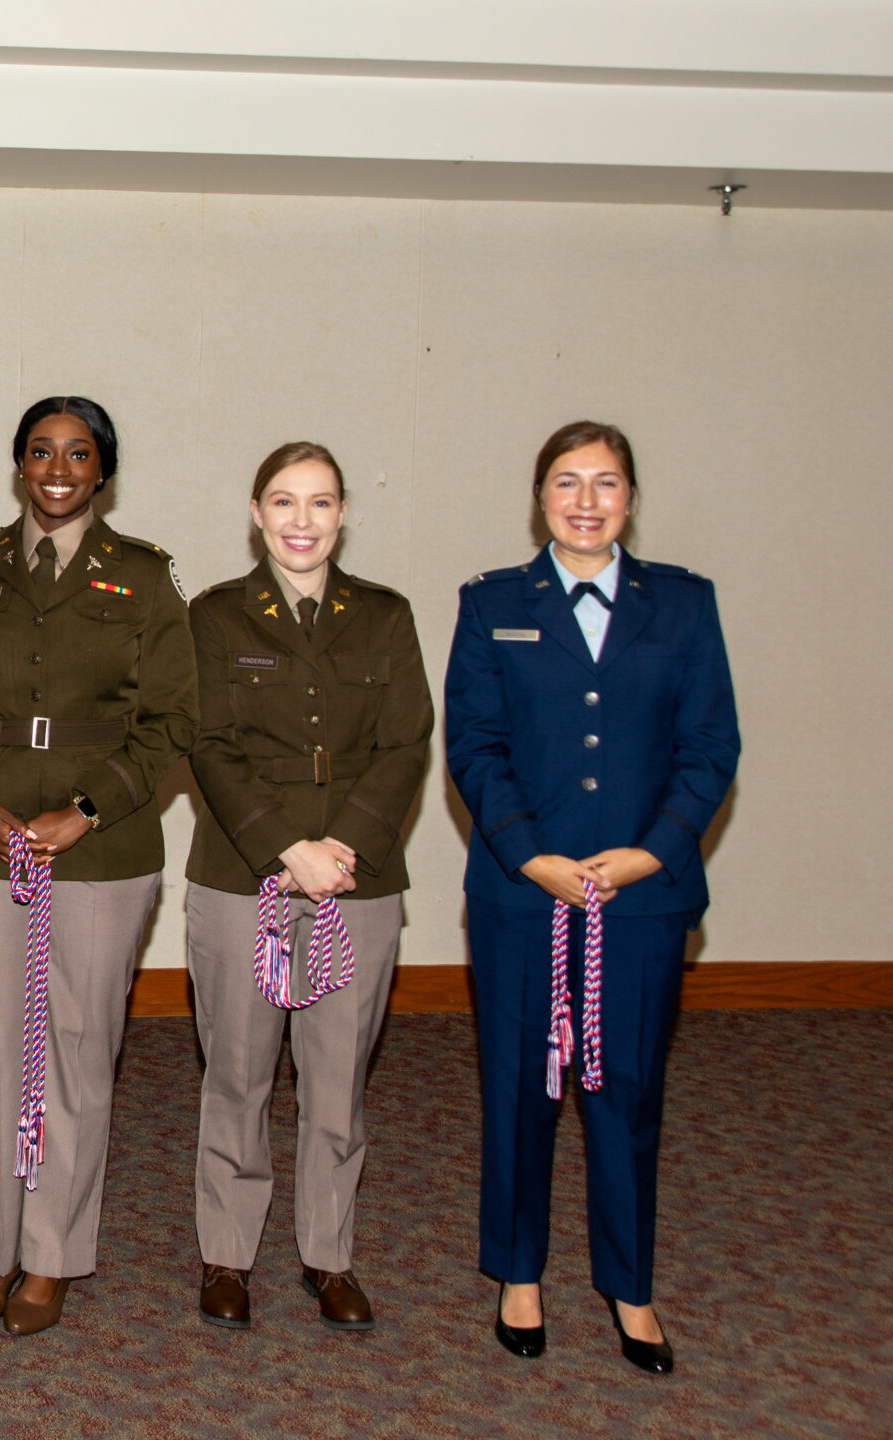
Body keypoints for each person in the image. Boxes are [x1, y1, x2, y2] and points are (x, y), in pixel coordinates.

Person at [445, 421, 738, 1375]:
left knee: (626, 1095)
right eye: (566, 483)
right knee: (522, 1093)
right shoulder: (494, 605)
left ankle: (630, 1285)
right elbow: (474, 750)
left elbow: (710, 750)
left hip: (641, 902)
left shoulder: (686, 607)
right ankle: (518, 1271)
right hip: (522, 897)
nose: (584, 500)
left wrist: (647, 857)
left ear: (631, 499)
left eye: (605, 484)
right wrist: (533, 859)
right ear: (540, 499)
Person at [0, 395, 198, 1335]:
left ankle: (52, 1257)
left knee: (77, 1053)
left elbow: (174, 720)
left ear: (102, 471)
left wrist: (83, 812)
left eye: (77, 454)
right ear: (18, 464)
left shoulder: (145, 575)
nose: (57, 468)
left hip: (102, 850)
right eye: (40, 451)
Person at [181, 441, 432, 1332]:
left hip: (355, 887)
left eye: (319, 503)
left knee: (335, 1082)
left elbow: (407, 745)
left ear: (342, 514)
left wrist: (342, 848)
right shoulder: (213, 618)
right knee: (239, 1074)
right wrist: (289, 847)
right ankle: (227, 1255)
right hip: (244, 880)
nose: (301, 521)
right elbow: (206, 745)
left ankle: (329, 1256)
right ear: (256, 513)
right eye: (283, 502)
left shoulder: (385, 616)